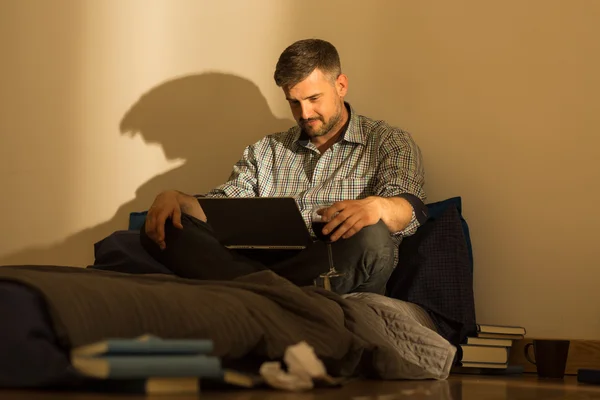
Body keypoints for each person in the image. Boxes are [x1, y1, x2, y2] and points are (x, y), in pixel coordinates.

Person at [140, 38, 427, 295]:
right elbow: (222, 209)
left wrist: (376, 207)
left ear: (340, 85)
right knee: (165, 225)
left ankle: (257, 291)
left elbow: (410, 209)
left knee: (374, 238)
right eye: (294, 103)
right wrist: (178, 199)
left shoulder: (389, 141)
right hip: (262, 262)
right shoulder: (265, 150)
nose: (304, 113)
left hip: (333, 262)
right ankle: (274, 293)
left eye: (314, 99)